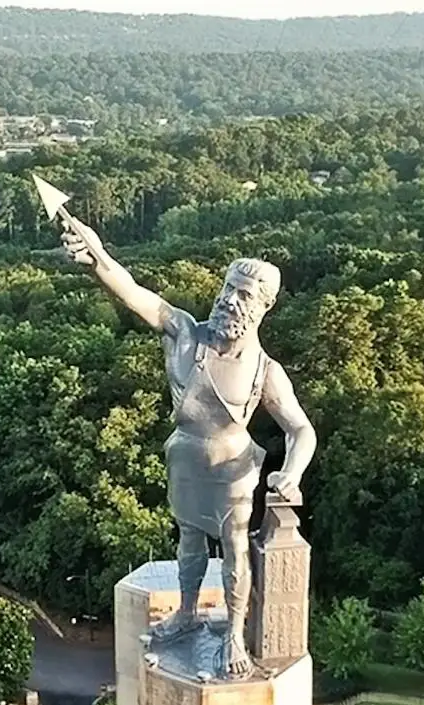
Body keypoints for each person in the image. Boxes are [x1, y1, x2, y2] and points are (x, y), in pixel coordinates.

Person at [60, 218, 316, 677]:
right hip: (185, 459)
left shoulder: (265, 371)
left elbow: (301, 429)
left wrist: (291, 472)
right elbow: (134, 293)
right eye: (228, 288)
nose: (229, 300)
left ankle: (233, 633)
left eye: (243, 295)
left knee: (235, 549)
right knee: (190, 543)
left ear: (263, 307)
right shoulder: (186, 334)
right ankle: (186, 612)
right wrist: (95, 257)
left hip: (232, 472)